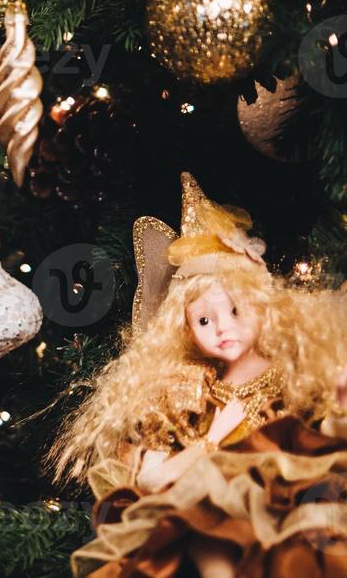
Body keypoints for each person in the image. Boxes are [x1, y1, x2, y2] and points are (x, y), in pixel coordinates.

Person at [51, 173, 347, 577]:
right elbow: (152, 482)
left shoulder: (291, 377)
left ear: (264, 308)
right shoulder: (186, 391)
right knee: (199, 532)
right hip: (205, 519)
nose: (222, 329)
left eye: (236, 311)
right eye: (204, 319)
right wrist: (211, 440)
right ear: (185, 329)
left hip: (283, 511)